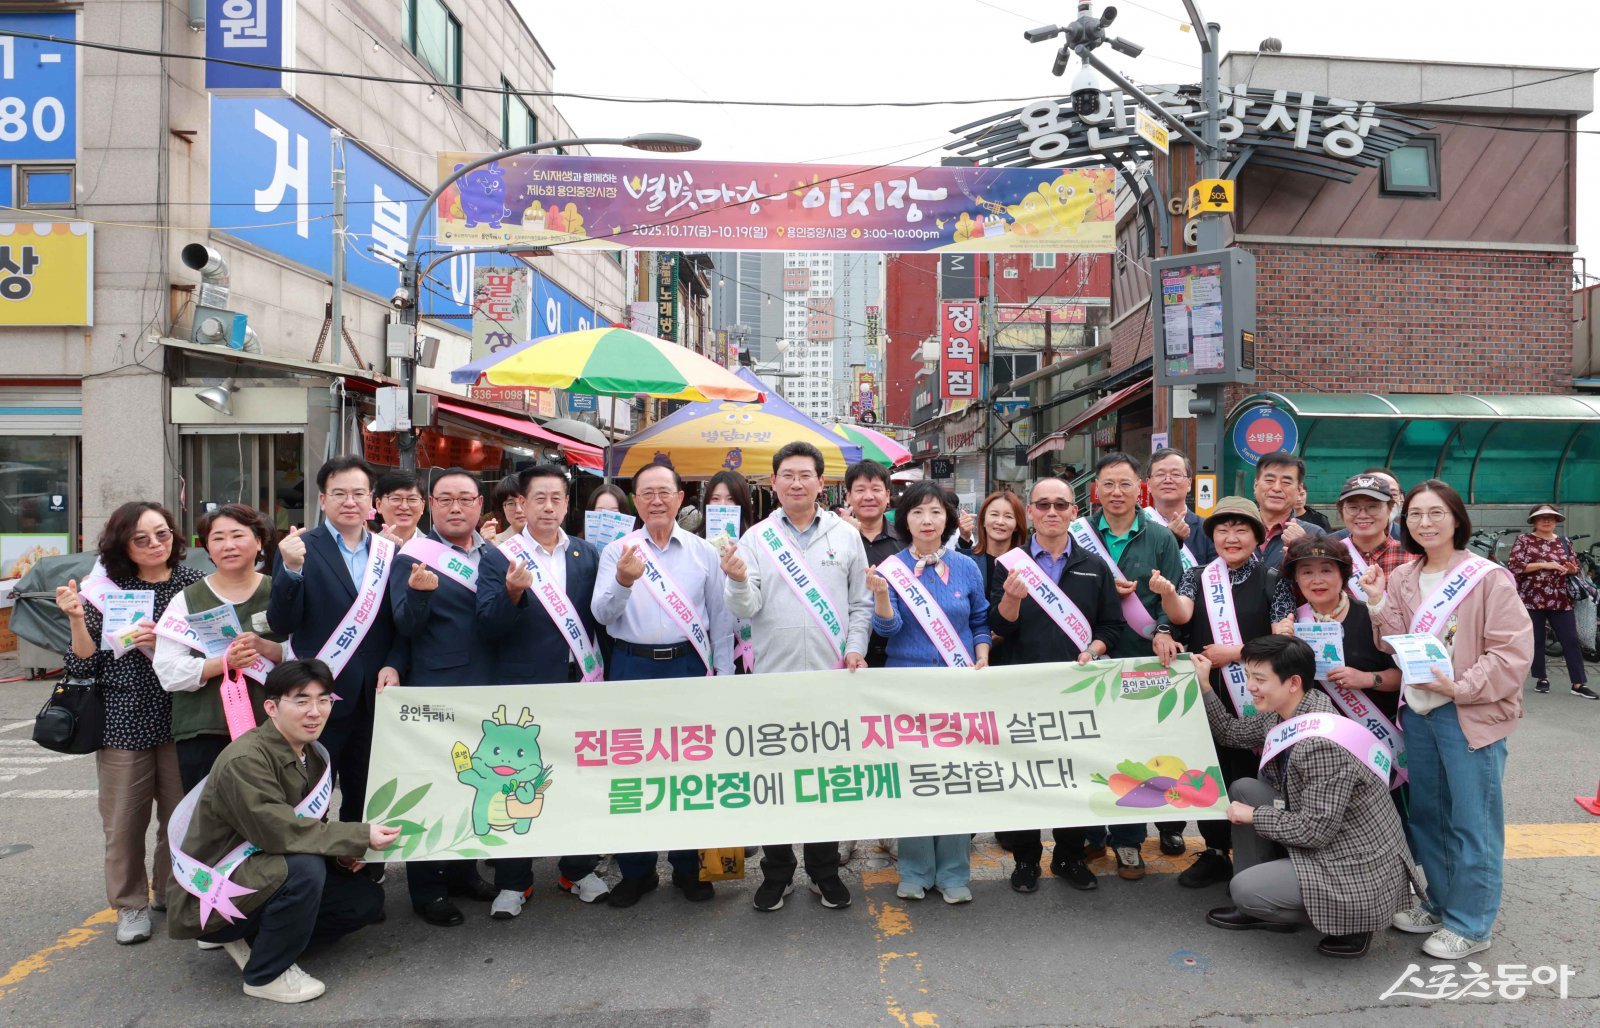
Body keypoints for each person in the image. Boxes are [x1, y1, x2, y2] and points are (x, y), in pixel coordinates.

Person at [1364, 479, 1534, 959]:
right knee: (1429, 818)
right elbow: (1393, 644)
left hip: (1469, 715)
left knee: (1473, 822)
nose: (1425, 523)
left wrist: (1460, 686)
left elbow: (1512, 652)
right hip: (1418, 715)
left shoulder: (1488, 577)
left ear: (1456, 518)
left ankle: (1472, 924)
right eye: (1416, 514)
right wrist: (1377, 601)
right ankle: (1439, 903)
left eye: (1436, 513)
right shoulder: (1402, 577)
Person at [168, 660, 397, 1004]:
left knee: (363, 902)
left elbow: (309, 829)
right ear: (272, 707)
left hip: (261, 871)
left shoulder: (312, 754)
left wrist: (341, 854)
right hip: (214, 890)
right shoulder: (246, 759)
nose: (315, 712)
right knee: (304, 869)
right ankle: (265, 973)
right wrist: (359, 836)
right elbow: (277, 832)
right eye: (301, 701)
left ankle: (253, 936)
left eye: (324, 700)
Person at [1190, 639, 1421, 960]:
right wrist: (1204, 685)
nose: (1251, 687)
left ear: (1293, 682)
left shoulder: (1319, 742)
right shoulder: (1290, 710)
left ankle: (1354, 922)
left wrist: (1254, 817)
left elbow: (1314, 831)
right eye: (1249, 677)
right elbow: (1231, 732)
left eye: (1259, 679)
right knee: (1245, 788)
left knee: (1244, 889)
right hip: (1332, 837)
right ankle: (1263, 910)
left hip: (1355, 866)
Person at [722, 441, 872, 912]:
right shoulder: (756, 539)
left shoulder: (845, 536)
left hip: (831, 680)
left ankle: (825, 871)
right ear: (774, 482)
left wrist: (854, 650)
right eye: (787, 475)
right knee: (775, 781)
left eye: (805, 474)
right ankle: (778, 871)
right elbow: (745, 609)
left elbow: (861, 605)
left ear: (820, 482)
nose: (796, 482)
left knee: (826, 780)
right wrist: (737, 579)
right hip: (775, 680)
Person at [57, 501, 204, 945]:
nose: (155, 544)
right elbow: (83, 660)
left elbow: (212, 643)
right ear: (124, 545)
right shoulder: (107, 590)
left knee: (180, 818)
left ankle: (169, 890)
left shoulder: (192, 584)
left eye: (162, 534)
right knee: (123, 821)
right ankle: (130, 905)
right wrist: (77, 619)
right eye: (141, 539)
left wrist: (170, 642)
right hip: (125, 718)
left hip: (184, 715)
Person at [592, 461, 736, 906]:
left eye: (664, 492)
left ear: (679, 499)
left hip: (688, 667)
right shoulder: (618, 551)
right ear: (635, 500)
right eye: (646, 492)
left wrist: (724, 678)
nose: (656, 500)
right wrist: (622, 582)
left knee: (688, 772)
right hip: (631, 668)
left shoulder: (702, 553)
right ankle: (637, 872)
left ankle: (688, 869)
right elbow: (601, 614)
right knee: (633, 771)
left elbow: (723, 622)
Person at [479, 464, 611, 906]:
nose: (549, 506)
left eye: (558, 498)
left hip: (580, 685)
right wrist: (513, 594)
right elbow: (488, 625)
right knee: (515, 783)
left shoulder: (587, 554)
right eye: (539, 498)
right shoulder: (499, 555)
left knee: (579, 780)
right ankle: (514, 881)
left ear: (568, 504)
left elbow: (599, 623)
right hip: (523, 689)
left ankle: (577, 870)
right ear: (522, 503)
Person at [1149, 496, 1296, 890]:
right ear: (1211, 536)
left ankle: (1257, 854)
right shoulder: (1197, 575)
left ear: (1257, 537)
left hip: (1258, 698)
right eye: (1223, 530)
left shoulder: (1272, 579)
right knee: (1208, 773)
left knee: (1252, 775)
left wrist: (1235, 652)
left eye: (1241, 529)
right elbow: (1181, 614)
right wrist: (1165, 594)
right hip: (1207, 694)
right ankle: (1215, 850)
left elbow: (1285, 638)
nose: (1231, 538)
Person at [990, 476, 1125, 894]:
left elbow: (1112, 626)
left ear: (1074, 512)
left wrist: (1095, 648)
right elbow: (995, 629)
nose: (1052, 512)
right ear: (1029, 512)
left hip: (1076, 691)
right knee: (1024, 777)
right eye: (1042, 504)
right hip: (1020, 686)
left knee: (1077, 776)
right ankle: (1026, 859)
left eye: (1060, 505)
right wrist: (1010, 600)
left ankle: (1069, 855)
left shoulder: (1094, 565)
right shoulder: (1007, 564)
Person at [388, 469, 505, 925]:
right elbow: (403, 625)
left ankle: (463, 872)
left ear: (480, 504)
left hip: (488, 687)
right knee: (433, 787)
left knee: (476, 785)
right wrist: (417, 597)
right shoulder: (412, 557)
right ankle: (427, 888)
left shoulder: (494, 556)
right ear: (431, 505)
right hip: (437, 687)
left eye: (465, 499)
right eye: (445, 500)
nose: (456, 508)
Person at [268, 456, 407, 830]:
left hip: (376, 694)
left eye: (359, 493)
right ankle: (316, 876)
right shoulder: (298, 548)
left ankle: (357, 870)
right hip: (319, 696)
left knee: (366, 792)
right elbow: (281, 625)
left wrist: (394, 662)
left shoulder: (388, 552)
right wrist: (292, 571)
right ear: (323, 499)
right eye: (339, 493)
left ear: (371, 500)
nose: (350, 501)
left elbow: (400, 624)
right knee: (312, 793)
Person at [867, 481, 990, 903]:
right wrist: (882, 596)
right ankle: (915, 871)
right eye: (918, 512)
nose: (927, 519)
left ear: (948, 520)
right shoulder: (891, 569)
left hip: (956, 685)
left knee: (955, 777)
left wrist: (982, 656)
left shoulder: (967, 567)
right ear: (905, 520)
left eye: (936, 512)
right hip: (907, 686)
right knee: (915, 778)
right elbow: (887, 630)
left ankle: (954, 873)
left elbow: (979, 620)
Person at [1071, 453, 1187, 877]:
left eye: (1125, 484)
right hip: (1089, 657)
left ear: (1139, 488)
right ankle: (1091, 835)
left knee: (1135, 753)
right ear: (1095, 491)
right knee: (1089, 746)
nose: (1116, 493)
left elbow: (1172, 600)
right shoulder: (1075, 535)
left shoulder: (1160, 538)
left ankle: (1128, 840)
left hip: (1140, 659)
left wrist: (1160, 627)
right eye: (1108, 485)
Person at [1274, 536, 1406, 828]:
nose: (1317, 579)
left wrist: (1367, 679)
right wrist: (1282, 647)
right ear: (1296, 579)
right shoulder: (1292, 624)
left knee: (1382, 826)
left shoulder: (1370, 616)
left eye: (1327, 570)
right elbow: (1277, 692)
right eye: (1306, 571)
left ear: (1344, 575)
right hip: (1317, 751)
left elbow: (1403, 678)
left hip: (1373, 739)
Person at [154, 504, 285, 791]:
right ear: (207, 548)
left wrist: (267, 648)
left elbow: (307, 653)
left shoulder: (281, 593)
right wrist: (225, 663)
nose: (229, 546)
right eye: (218, 538)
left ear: (259, 541)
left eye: (238, 536)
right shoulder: (186, 600)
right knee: (209, 819)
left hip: (275, 728)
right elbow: (167, 670)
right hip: (203, 729)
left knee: (272, 819)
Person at [1507, 504, 1596, 698]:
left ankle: (1579, 684)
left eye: (1551, 517)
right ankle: (1541, 678)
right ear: (1534, 521)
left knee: (1570, 640)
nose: (1547, 520)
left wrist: (1572, 569)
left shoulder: (1564, 541)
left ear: (1556, 521)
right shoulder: (1524, 540)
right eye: (1542, 517)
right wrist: (1545, 564)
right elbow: (1514, 566)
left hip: (1561, 598)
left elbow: (1574, 567)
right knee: (1536, 640)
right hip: (1531, 598)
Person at [841, 460, 902, 669]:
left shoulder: (906, 540)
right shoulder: (833, 540)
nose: (868, 497)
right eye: (860, 490)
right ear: (848, 496)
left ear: (887, 495)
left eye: (876, 489)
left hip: (896, 652)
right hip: (844, 653)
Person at [701, 470, 756, 674]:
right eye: (715, 499)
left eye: (730, 499)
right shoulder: (694, 543)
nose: (722, 505)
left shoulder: (756, 540)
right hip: (704, 645)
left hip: (748, 647)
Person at [1327, 474, 1411, 596]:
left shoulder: (1412, 558)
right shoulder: (1329, 556)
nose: (1362, 514)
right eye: (1353, 507)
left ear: (1390, 509)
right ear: (1341, 511)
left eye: (1373, 506)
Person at [1253, 451, 1325, 568]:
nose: (1276, 488)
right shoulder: (1231, 531)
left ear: (1299, 489)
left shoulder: (1315, 534)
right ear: (1256, 484)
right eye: (1269, 480)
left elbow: (1323, 577)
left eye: (1286, 482)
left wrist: (1304, 546)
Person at [1146, 448, 1216, 567]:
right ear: (1148, 484)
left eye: (1176, 474)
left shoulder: (1207, 530)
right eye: (1160, 474)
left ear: (1189, 483)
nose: (1167, 480)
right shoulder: (1137, 527)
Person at [970, 489, 1026, 632]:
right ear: (983, 520)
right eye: (994, 514)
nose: (1000, 522)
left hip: (1014, 645)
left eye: (1008, 516)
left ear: (1017, 525)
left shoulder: (1026, 564)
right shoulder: (967, 562)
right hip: (973, 643)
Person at [372, 471, 424, 544]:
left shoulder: (436, 549)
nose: (404, 507)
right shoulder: (367, 549)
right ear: (379, 505)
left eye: (412, 499)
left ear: (422, 506)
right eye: (395, 499)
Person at [486, 473, 525, 545]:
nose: (519, 510)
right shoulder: (494, 543)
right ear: (502, 508)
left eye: (523, 502)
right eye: (510, 503)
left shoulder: (551, 540)